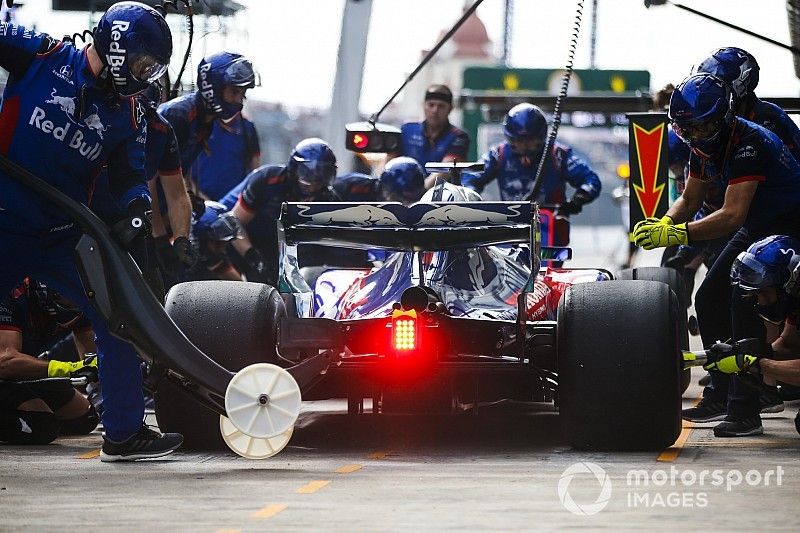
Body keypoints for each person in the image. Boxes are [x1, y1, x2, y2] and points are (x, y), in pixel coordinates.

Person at [0, 2, 182, 460]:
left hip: (60, 232)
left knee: (115, 314)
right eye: (143, 64)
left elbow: (129, 176)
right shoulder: (39, 55)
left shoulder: (130, 113)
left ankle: (123, 433)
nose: (146, 76)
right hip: (3, 219)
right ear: (118, 49)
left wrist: (136, 212)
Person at [632, 73, 800, 437]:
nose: (694, 134)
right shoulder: (703, 143)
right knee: (709, 298)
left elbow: (731, 215)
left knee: (744, 297)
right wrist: (663, 223)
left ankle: (748, 405)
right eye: (687, 129)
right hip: (760, 224)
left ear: (722, 116)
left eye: (702, 125)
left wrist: (679, 232)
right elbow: (689, 199)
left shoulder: (747, 144)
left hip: (790, 227)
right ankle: (724, 392)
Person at [462, 103, 601, 247]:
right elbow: (470, 179)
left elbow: (591, 180)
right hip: (510, 232)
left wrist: (577, 201)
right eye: (518, 141)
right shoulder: (498, 154)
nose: (525, 147)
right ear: (509, 137)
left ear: (541, 137)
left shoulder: (558, 154)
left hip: (551, 233)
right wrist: (473, 200)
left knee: (548, 268)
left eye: (531, 141)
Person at [220, 138, 341, 278]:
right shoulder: (266, 181)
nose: (313, 184)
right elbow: (233, 223)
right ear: (293, 169)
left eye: (321, 177)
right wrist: (253, 257)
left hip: (281, 244)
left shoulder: (329, 199)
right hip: (243, 239)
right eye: (306, 175)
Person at [0, 279, 99, 444]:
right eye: (65, 299)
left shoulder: (80, 304)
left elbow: (91, 360)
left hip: (14, 376)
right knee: (42, 425)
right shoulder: (11, 293)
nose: (72, 303)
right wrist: (67, 368)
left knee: (85, 417)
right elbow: (5, 361)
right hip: (5, 368)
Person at [158, 51, 256, 180]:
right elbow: (151, 175)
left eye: (242, 93)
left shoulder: (206, 120)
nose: (239, 100)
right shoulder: (179, 116)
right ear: (214, 87)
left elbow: (181, 172)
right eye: (234, 92)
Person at [391, 84, 470, 188]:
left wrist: (418, 194)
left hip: (441, 199)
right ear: (424, 105)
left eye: (441, 106)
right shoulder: (406, 130)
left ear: (450, 109)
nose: (435, 110)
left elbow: (444, 170)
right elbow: (388, 164)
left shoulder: (459, 137)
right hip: (400, 193)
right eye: (431, 105)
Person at [190, 112, 261, 201]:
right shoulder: (199, 123)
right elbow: (182, 165)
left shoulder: (247, 127)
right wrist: (197, 195)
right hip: (199, 200)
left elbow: (255, 170)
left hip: (234, 204)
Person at [184, 201, 247, 282]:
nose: (222, 248)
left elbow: (239, 284)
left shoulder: (212, 255)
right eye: (218, 243)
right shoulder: (183, 268)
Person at [334, 156, 426, 204]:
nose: (395, 204)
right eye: (394, 197)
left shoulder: (422, 203)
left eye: (406, 202)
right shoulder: (352, 185)